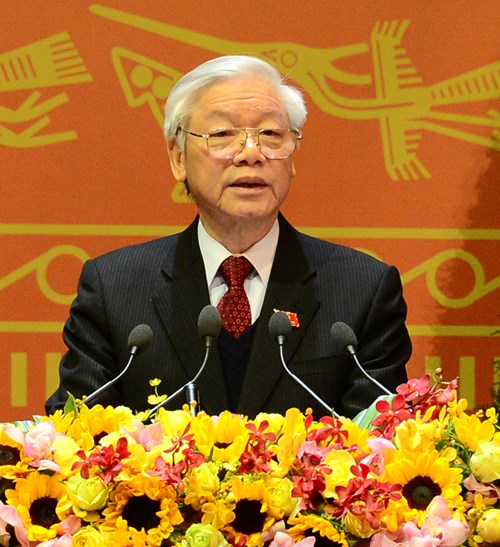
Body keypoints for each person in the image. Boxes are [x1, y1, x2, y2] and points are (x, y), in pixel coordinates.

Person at [45, 55, 411, 419]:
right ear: (178, 157)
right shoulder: (114, 289)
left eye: (271, 135)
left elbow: (379, 439)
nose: (251, 153)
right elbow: (76, 434)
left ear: (293, 156)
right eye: (222, 135)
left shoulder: (361, 290)